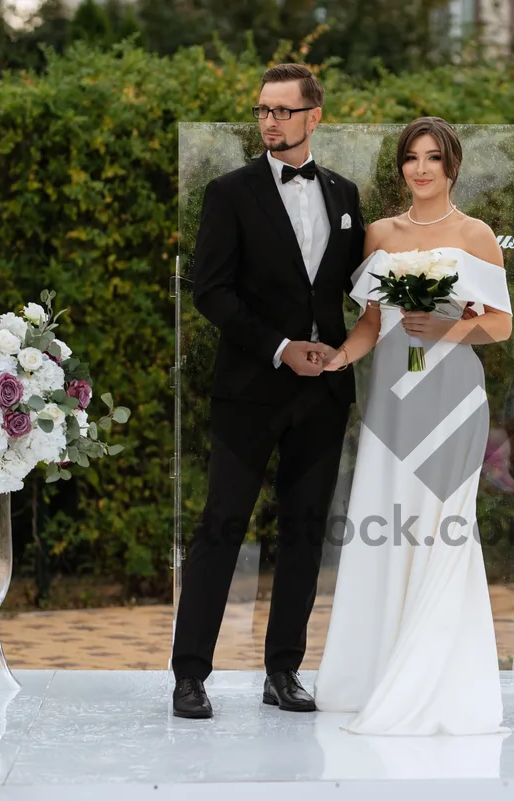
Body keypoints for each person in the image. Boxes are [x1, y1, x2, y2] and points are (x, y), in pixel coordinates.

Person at [170, 64, 367, 719]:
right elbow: (211, 291)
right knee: (221, 526)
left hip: (324, 395)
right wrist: (282, 348)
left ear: (315, 116)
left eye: (284, 111)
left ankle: (283, 669)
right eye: (263, 110)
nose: (270, 122)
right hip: (250, 389)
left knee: (304, 532)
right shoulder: (230, 193)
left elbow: (352, 289)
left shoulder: (345, 194)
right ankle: (190, 675)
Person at [312, 117, 513, 735]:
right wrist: (340, 356)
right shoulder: (380, 234)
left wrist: (445, 329)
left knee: (442, 529)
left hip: (453, 398)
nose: (420, 168)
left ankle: (440, 678)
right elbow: (373, 323)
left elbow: (500, 325)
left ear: (452, 166)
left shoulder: (475, 235)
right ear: (401, 167)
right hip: (392, 401)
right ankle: (376, 669)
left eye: (432, 158)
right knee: (389, 524)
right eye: (410, 158)